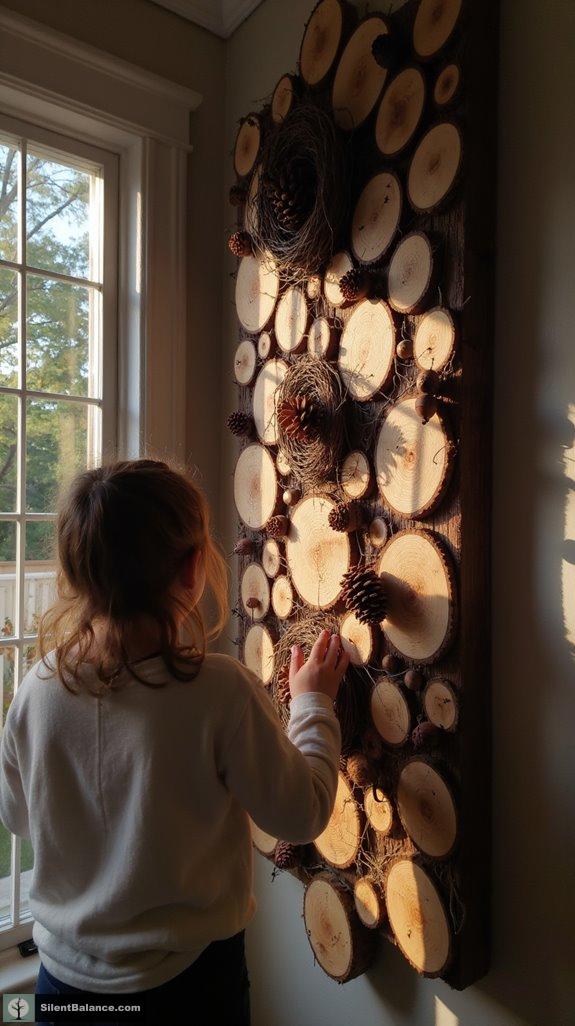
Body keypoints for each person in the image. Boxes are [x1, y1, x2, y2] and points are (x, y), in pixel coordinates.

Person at [0, 458, 348, 1026]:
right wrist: (313, 703)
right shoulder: (218, 692)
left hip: (60, 991)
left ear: (77, 569)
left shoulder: (36, 691)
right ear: (191, 568)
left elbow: (16, 816)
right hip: (187, 992)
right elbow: (302, 812)